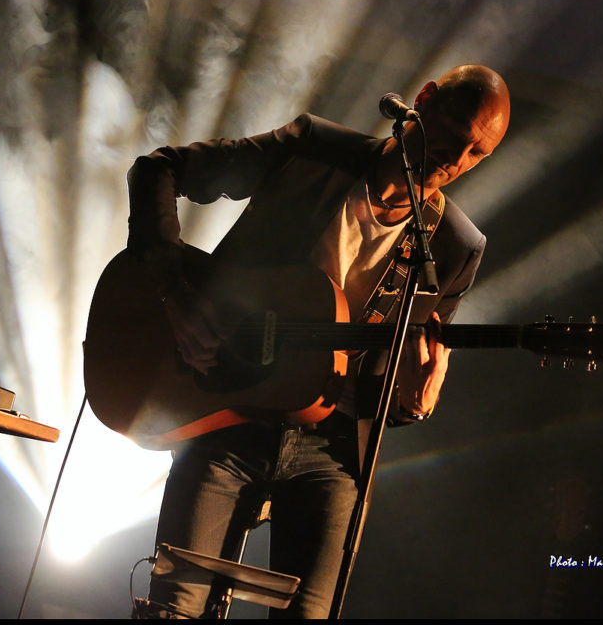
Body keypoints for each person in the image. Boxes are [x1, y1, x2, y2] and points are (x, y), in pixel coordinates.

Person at [125, 64, 511, 618]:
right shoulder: (313, 150)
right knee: (174, 609)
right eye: (453, 131)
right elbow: (158, 169)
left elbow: (390, 386)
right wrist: (173, 293)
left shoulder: (454, 247)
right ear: (423, 99)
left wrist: (411, 404)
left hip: (328, 451)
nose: (454, 159)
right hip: (224, 411)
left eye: (476, 153)